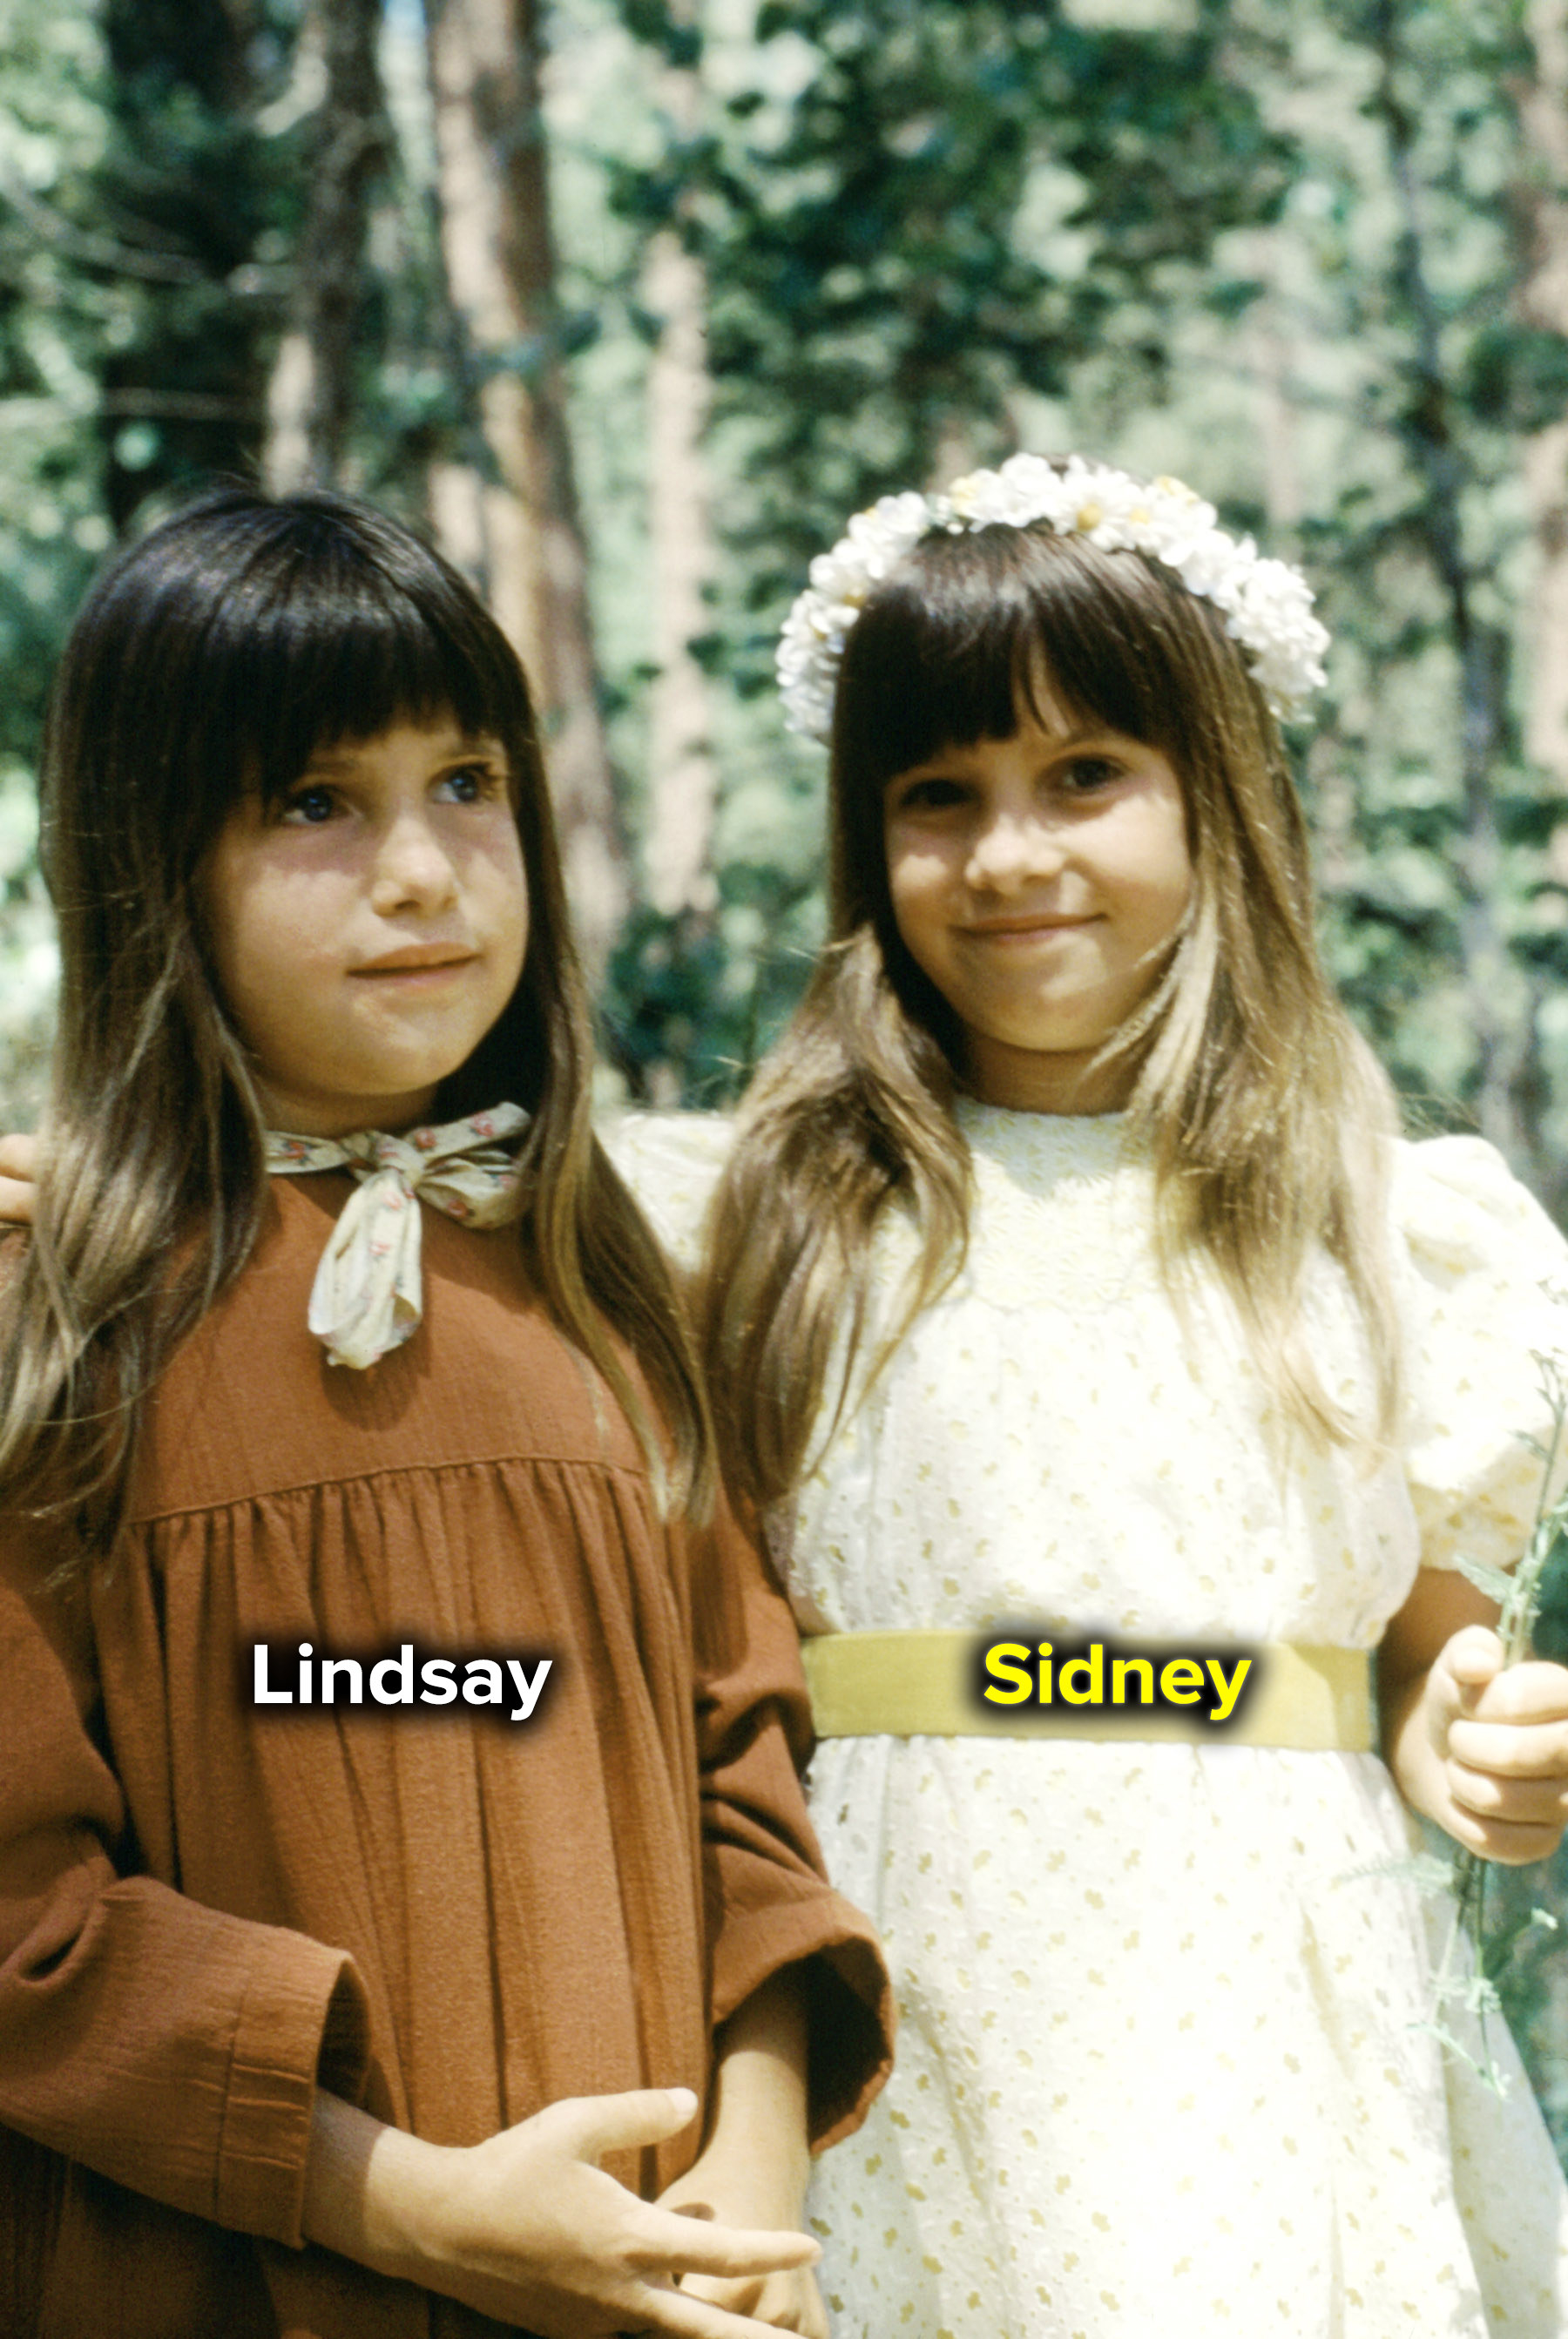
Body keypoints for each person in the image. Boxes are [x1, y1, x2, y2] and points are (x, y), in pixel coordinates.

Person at [606, 455, 1568, 2336]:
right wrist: (130, 1193)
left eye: (1084, 775)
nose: (1010, 851)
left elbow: (1415, 1676)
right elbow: (412, 1193)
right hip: (901, 1971)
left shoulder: (1394, 1227)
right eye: (937, 795)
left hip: (1264, 1990)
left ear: (1222, 795)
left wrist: (1474, 1743)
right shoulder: (759, 1210)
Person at [0, 489, 892, 2339]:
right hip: (235, 2273)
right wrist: (408, 2204)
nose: (422, 870)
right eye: (314, 800)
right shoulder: (54, 1333)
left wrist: (749, 2176)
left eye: (467, 782)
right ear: (145, 852)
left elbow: (754, 1784)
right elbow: (26, 1927)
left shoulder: (615, 1300)